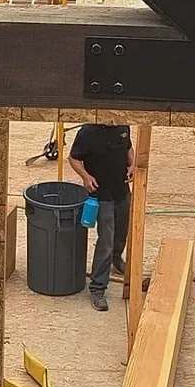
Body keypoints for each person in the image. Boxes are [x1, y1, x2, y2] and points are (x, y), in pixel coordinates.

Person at [68, 123, 132, 311]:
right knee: (106, 241)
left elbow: (129, 147)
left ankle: (117, 260)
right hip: (101, 195)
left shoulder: (122, 126)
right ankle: (97, 288)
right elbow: (73, 158)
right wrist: (86, 177)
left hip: (122, 192)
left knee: (121, 233)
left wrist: (132, 165)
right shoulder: (87, 132)